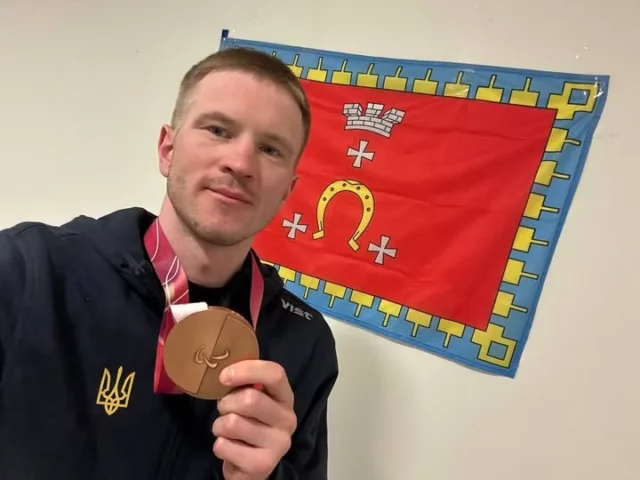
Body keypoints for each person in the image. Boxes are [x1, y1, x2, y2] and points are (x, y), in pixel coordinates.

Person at [0, 47, 339, 479]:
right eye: (218, 129)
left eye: (270, 149)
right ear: (167, 148)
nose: (240, 163)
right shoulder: (28, 271)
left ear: (288, 190)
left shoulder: (305, 343)